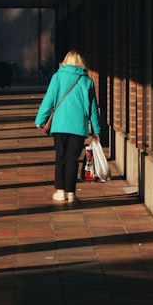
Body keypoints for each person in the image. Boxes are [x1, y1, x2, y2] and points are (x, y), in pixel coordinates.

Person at [34, 50, 102, 203]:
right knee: (73, 159)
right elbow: (92, 108)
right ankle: (71, 192)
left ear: (65, 61)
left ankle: (60, 191)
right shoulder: (87, 81)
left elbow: (49, 99)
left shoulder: (57, 77)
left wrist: (40, 120)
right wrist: (96, 130)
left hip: (59, 125)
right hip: (79, 127)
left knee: (61, 158)